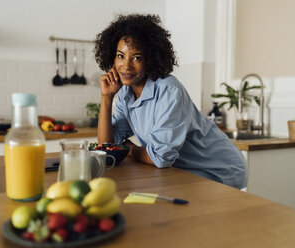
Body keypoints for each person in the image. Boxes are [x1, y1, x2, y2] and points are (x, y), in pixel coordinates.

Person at [94, 14, 247, 189]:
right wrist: (106, 98)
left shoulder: (168, 89)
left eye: (137, 57)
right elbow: (107, 148)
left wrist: (130, 150)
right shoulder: (125, 93)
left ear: (150, 59)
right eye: (121, 56)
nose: (126, 65)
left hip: (220, 170)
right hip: (184, 170)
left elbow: (160, 159)